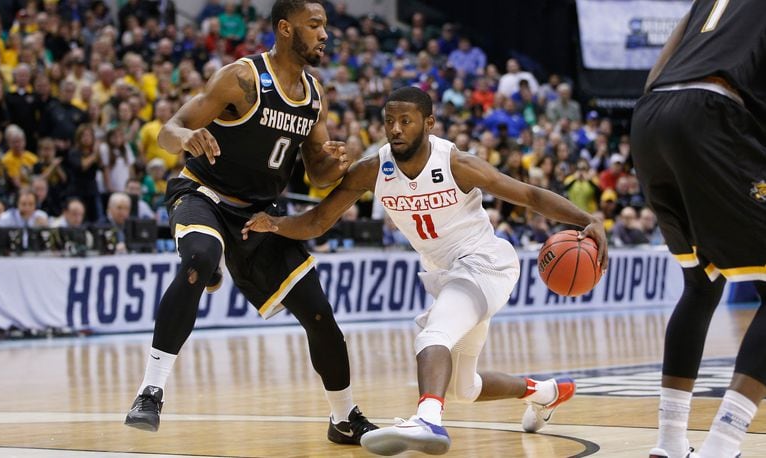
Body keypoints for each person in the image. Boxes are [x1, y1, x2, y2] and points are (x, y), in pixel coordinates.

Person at [242, 87, 608, 455]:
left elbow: (528, 195)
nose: (395, 129)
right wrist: (273, 224)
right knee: (465, 389)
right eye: (389, 122)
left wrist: (587, 219)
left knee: (433, 334)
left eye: (405, 121)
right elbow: (319, 221)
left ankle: (428, 418)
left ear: (429, 123)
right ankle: (545, 393)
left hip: (485, 264)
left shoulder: (456, 164)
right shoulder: (374, 170)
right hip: (447, 274)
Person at [123, 0, 378, 445]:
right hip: (204, 194)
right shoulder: (241, 78)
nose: (324, 34)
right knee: (199, 257)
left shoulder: (313, 95)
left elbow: (315, 174)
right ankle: (151, 390)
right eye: (314, 25)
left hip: (260, 216)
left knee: (319, 313)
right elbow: (170, 130)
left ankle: (343, 417)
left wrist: (332, 165)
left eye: (325, 26)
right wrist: (188, 136)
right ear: (284, 29)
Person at [629, 2, 766, 457]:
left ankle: (670, 441)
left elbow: (656, 72)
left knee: (702, 282)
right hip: (711, 111)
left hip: (650, 114)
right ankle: (723, 443)